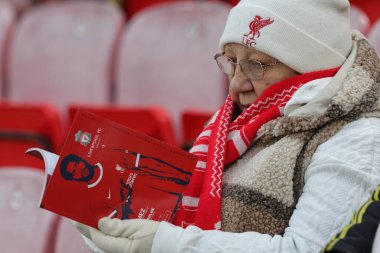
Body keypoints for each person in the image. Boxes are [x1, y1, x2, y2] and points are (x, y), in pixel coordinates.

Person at [74, 0, 380, 252]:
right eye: (231, 61)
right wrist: (115, 232)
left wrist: (169, 244)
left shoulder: (360, 136)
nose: (235, 84)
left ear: (311, 67)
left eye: (256, 65)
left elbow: (307, 249)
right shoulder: (235, 124)